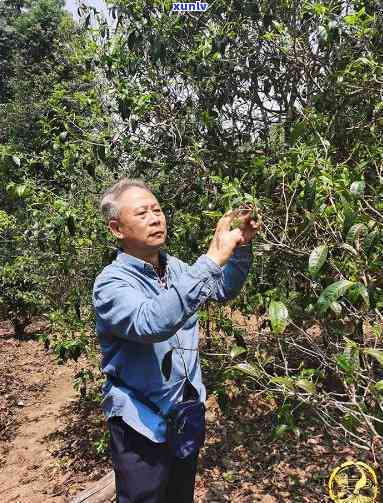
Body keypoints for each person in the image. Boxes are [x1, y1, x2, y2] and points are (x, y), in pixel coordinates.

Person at [92, 177, 260, 503]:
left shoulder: (177, 268)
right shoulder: (110, 285)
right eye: (142, 213)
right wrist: (211, 259)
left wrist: (239, 246)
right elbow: (152, 322)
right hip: (139, 424)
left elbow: (222, 288)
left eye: (157, 210)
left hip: (184, 414)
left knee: (180, 496)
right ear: (116, 229)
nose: (156, 218)